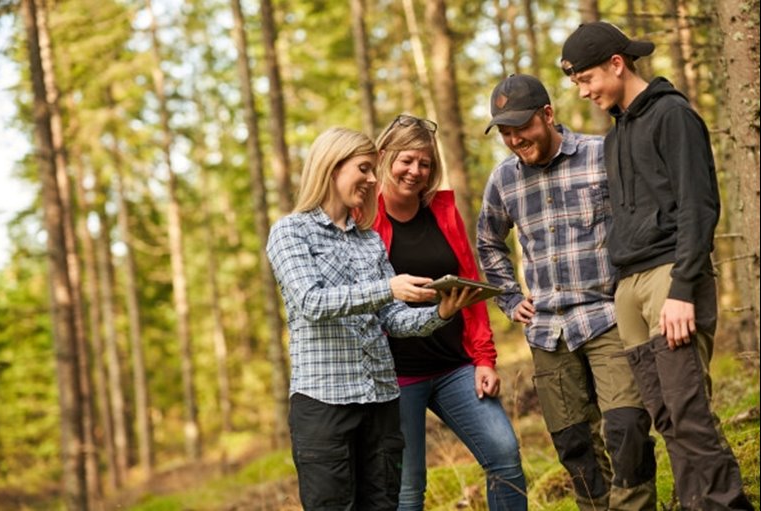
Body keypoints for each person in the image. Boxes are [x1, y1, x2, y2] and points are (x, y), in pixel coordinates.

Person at [561, 22, 753, 511]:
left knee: (688, 411)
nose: (583, 93)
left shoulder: (673, 115)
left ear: (617, 64)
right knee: (665, 415)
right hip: (629, 286)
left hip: (671, 276)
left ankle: (725, 505)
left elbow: (699, 206)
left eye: (586, 80)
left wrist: (683, 288)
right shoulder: (614, 136)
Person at [266, 127, 478, 510]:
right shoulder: (290, 232)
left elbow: (393, 320)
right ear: (332, 167)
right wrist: (389, 288)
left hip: (381, 401)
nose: (371, 179)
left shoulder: (369, 241)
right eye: (364, 168)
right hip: (324, 404)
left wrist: (442, 312)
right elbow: (311, 302)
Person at [476, 74, 658, 510]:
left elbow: (642, 217)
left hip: (608, 318)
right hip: (547, 333)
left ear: (548, 115)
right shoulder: (503, 180)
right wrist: (509, 297)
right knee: (574, 445)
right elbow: (488, 241)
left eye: (522, 126)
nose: (515, 139)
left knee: (628, 428)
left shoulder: (602, 154)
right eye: (505, 131)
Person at [372, 114, 527, 511]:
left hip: (454, 365)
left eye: (425, 163)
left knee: (504, 455)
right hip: (395, 377)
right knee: (408, 491)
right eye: (407, 160)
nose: (415, 171)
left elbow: (469, 285)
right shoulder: (363, 218)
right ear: (385, 156)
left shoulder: (442, 211)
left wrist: (484, 359)